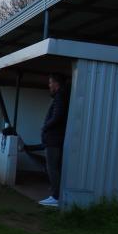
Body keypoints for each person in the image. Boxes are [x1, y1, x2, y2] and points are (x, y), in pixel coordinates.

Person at [39, 74, 69, 207]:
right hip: (54, 138)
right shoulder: (60, 96)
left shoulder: (59, 97)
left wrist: (45, 127)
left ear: (57, 84)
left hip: (54, 139)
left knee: (52, 168)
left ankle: (56, 197)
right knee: (53, 167)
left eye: (51, 83)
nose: (49, 85)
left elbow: (57, 116)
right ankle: (55, 194)